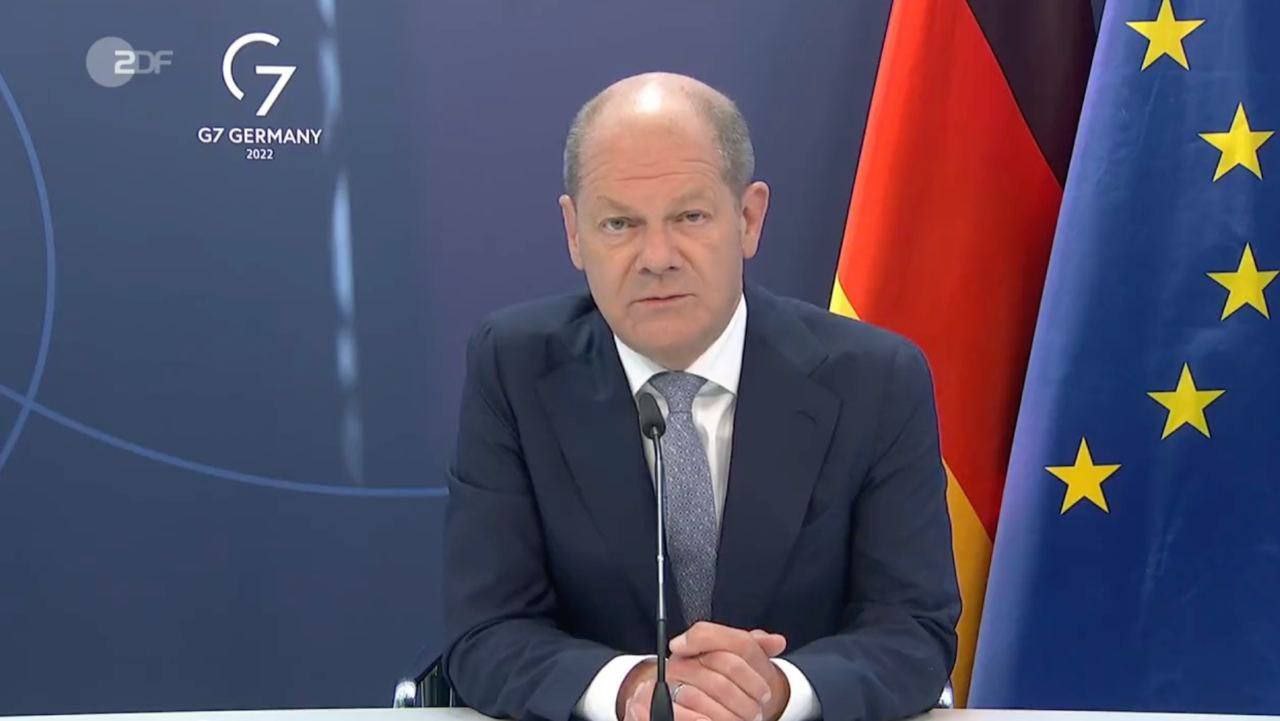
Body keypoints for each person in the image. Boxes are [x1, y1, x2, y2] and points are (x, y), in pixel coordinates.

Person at [442, 72, 959, 721]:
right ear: (574, 232)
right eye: (619, 223)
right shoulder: (513, 368)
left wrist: (776, 690)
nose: (657, 256)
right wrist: (635, 689)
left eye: (689, 217)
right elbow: (485, 630)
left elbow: (914, 629)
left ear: (748, 218)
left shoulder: (875, 380)